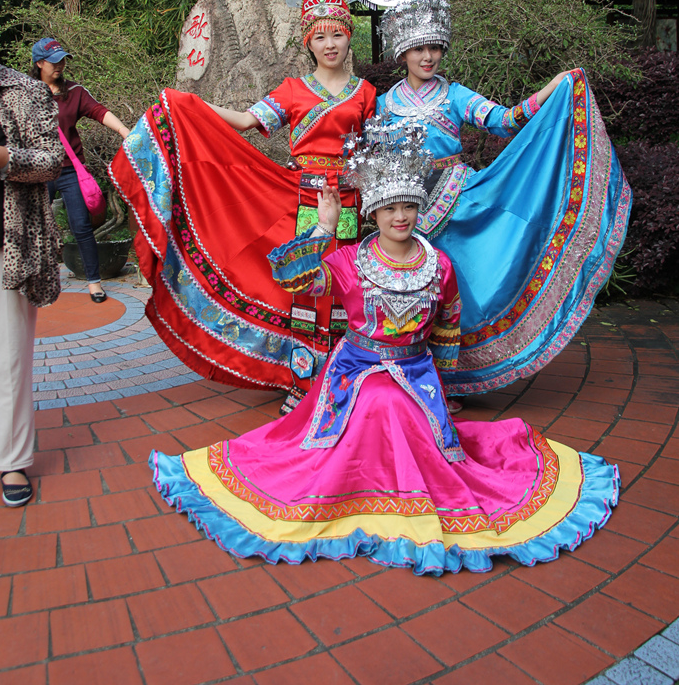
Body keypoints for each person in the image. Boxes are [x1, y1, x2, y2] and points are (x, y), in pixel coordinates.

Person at [149, 119, 619, 575]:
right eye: (390, 208)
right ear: (373, 213)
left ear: (419, 208)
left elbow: (447, 328)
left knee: (406, 410)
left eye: (409, 206)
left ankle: (400, 489)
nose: (400, 217)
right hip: (355, 371)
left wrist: (441, 388)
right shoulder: (349, 261)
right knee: (382, 402)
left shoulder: (440, 265)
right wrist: (324, 228)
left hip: (418, 374)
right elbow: (295, 280)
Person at [343, 0, 632, 401]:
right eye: (419, 49)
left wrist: (553, 89)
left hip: (459, 205)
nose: (428, 56)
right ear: (402, 53)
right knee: (409, 295)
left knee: (460, 294)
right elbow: (375, 158)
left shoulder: (456, 95)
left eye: (435, 47)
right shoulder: (385, 103)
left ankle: (452, 382)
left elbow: (505, 120)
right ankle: (410, 377)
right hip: (405, 209)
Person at [110, 0, 375, 407]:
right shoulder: (293, 89)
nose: (330, 44)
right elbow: (247, 121)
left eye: (337, 34)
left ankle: (340, 379)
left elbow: (372, 151)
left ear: (349, 36)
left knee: (342, 284)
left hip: (348, 200)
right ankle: (303, 382)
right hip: (303, 199)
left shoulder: (365, 92)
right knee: (304, 285)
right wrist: (192, 106)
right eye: (320, 37)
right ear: (308, 42)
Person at [0, 61, 64, 507]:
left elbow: (51, 160)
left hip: (9, 244)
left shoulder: (23, 90)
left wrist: (3, 158)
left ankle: (11, 458)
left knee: (9, 356)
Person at [31, 38, 130, 303]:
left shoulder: (74, 92)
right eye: (54, 62)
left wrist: (124, 131)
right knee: (33, 226)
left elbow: (99, 111)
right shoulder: (25, 92)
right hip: (36, 170)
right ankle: (33, 280)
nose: (60, 66)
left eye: (62, 60)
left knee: (81, 226)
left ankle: (93, 282)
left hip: (68, 171)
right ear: (39, 63)